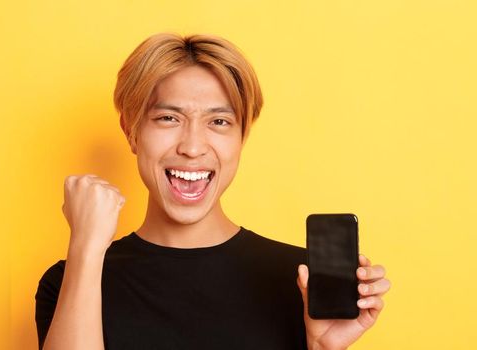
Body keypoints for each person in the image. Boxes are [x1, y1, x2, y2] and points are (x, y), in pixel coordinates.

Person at [35, 32, 391, 350]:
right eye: (168, 118)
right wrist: (86, 247)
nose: (192, 147)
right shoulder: (71, 281)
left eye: (219, 122)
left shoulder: (303, 283)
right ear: (131, 131)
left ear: (242, 137)